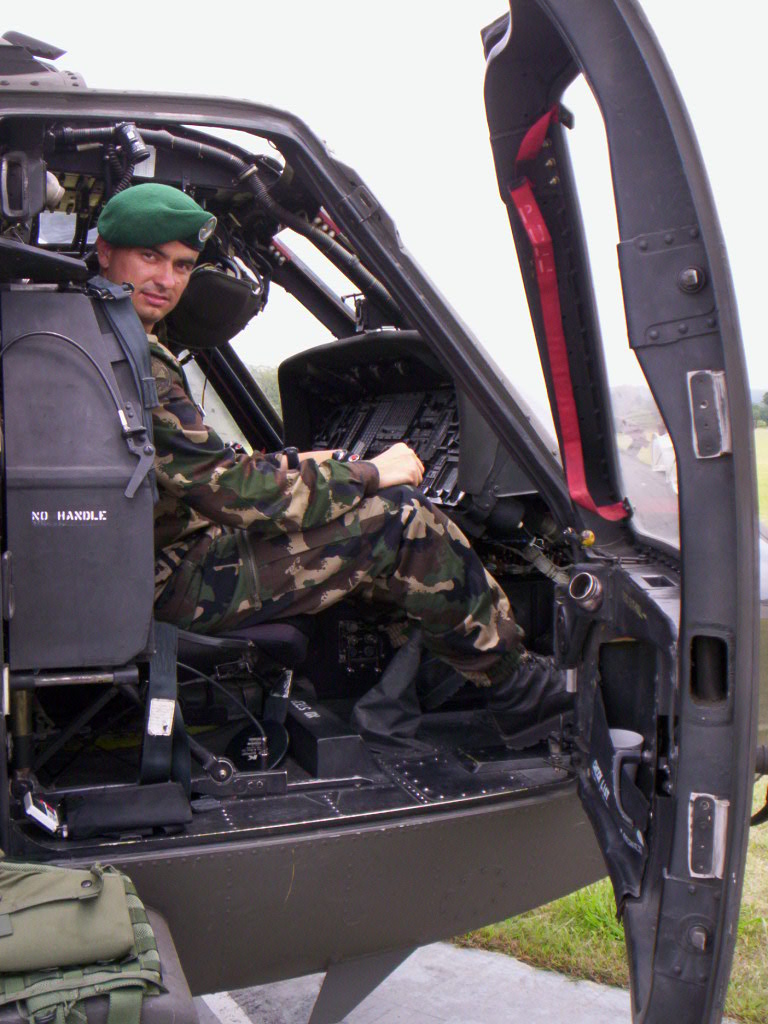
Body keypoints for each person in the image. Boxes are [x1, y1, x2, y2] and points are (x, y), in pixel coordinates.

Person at [95, 183, 569, 731]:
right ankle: (525, 694)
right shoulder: (132, 360)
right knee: (401, 523)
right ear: (106, 251)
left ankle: (423, 676)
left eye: (181, 265)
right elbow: (228, 489)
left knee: (355, 523)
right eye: (150, 257)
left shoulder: (97, 336)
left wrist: (314, 467)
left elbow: (193, 472)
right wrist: (369, 472)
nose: (166, 280)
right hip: (166, 580)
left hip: (135, 567)